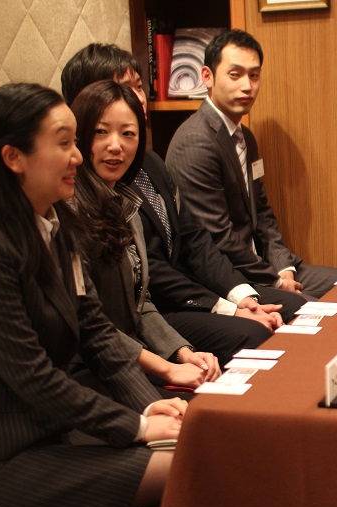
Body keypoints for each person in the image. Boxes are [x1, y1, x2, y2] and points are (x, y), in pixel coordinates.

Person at [0, 82, 186, 507]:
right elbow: (33, 377)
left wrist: (151, 408)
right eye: (63, 143)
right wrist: (135, 426)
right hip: (5, 456)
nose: (77, 156)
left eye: (75, 142)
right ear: (13, 157)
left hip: (52, 433)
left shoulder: (56, 221)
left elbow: (96, 330)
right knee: (188, 466)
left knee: (188, 447)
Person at [62, 43, 307, 366]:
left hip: (180, 298)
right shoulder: (88, 190)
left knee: (296, 307)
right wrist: (224, 307)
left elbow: (194, 237)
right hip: (161, 308)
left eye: (138, 87)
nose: (136, 98)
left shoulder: (149, 161)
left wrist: (240, 295)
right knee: (256, 332)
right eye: (121, 89)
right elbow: (147, 277)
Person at [166, 29, 337, 300]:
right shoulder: (195, 141)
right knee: (327, 314)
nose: (247, 86)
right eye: (235, 74)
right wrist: (275, 280)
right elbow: (218, 236)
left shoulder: (245, 137)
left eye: (254, 75)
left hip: (266, 267)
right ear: (207, 77)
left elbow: (261, 212)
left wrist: (284, 268)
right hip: (233, 281)